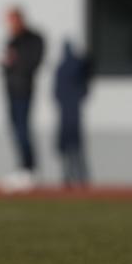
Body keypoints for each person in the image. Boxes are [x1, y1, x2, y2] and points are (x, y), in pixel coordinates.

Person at [0, 6, 44, 193]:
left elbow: (33, 62)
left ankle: (29, 170)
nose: (9, 24)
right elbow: (7, 63)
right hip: (10, 90)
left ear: (20, 19)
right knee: (16, 131)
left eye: (11, 20)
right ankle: (21, 169)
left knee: (23, 130)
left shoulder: (33, 39)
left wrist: (15, 62)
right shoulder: (12, 40)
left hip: (24, 90)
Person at [53, 39, 91, 189]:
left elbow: (55, 92)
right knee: (76, 149)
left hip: (65, 114)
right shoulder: (77, 65)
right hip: (73, 113)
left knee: (68, 149)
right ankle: (80, 178)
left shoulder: (61, 68)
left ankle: (68, 177)